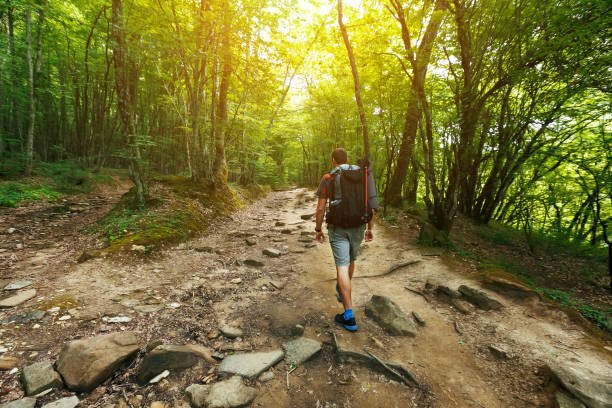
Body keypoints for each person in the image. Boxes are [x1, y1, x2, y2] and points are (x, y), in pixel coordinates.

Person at [315, 147, 378, 332]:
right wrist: (370, 228)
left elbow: (320, 208)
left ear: (333, 160)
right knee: (350, 260)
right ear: (347, 159)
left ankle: (349, 316)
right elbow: (370, 203)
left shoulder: (329, 178)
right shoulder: (362, 174)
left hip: (338, 227)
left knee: (341, 267)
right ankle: (344, 291)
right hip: (359, 224)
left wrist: (318, 229)